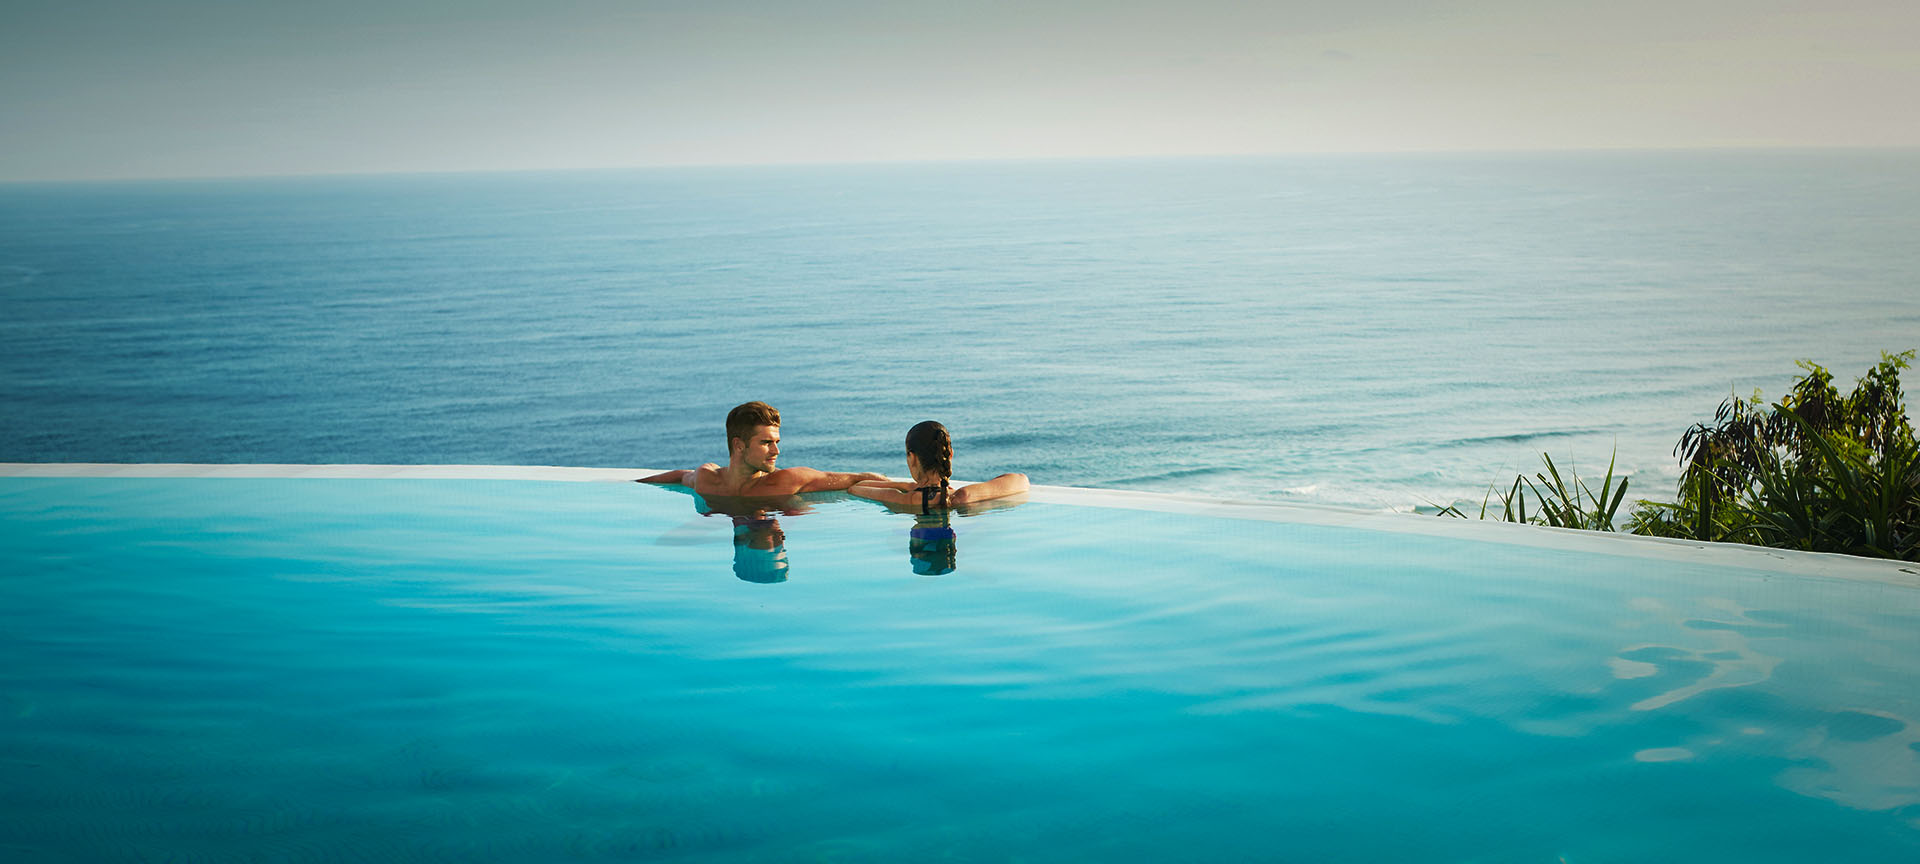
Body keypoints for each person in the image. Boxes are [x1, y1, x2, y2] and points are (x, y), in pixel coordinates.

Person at [638, 401, 888, 496]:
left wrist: (913, 489)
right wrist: (633, 485)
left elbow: (858, 478)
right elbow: (681, 476)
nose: (776, 451)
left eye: (776, 442)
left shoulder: (786, 481)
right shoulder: (707, 479)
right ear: (739, 445)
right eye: (766, 443)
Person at [849, 420, 1029, 513]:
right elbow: (1021, 480)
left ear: (912, 458)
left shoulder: (904, 498)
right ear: (950, 455)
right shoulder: (963, 496)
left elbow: (856, 488)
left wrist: (906, 486)